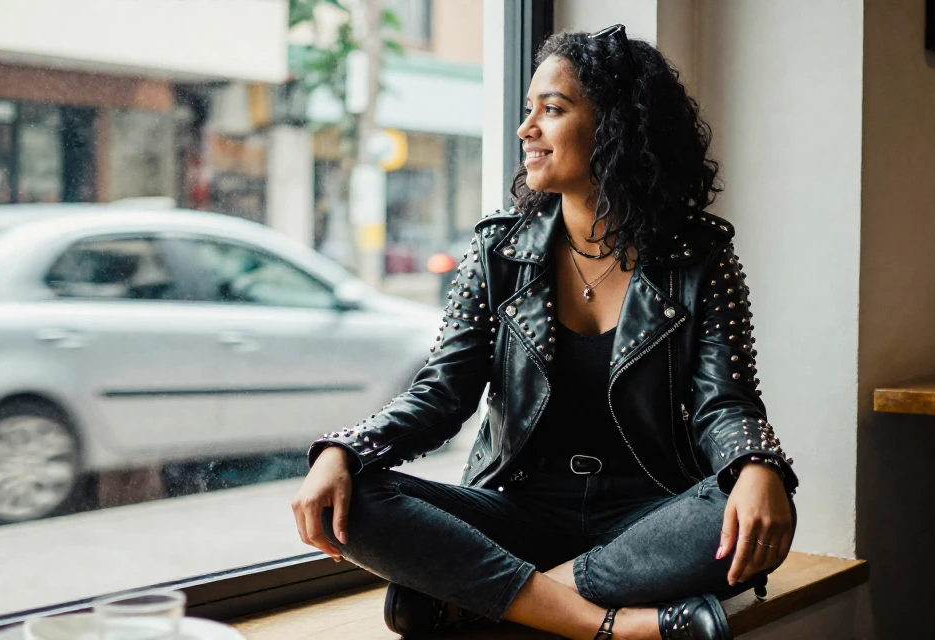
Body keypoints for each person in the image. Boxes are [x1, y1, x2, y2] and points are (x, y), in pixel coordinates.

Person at [292, 25, 798, 640]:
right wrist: (347, 449)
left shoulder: (700, 256)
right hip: (516, 510)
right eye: (528, 110)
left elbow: (727, 402)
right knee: (360, 497)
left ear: (617, 126)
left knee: (749, 509)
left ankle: (480, 599)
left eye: (552, 110)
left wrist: (756, 466)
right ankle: (623, 626)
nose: (526, 129)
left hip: (649, 515)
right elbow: (441, 395)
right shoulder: (497, 252)